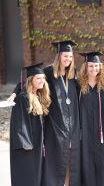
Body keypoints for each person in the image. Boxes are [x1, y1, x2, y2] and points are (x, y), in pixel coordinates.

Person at [8, 40, 81, 186]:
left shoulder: (73, 76)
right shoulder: (48, 72)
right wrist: (15, 93)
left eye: (70, 56)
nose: (68, 59)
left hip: (71, 128)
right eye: (65, 56)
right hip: (54, 127)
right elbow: (28, 82)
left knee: (70, 164)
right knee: (55, 164)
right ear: (58, 56)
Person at [10, 63, 51, 186]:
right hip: (28, 147)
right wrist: (26, 144)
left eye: (43, 78)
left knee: (37, 177)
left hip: (37, 144)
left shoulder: (38, 96)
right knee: (28, 177)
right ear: (30, 80)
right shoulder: (23, 98)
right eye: (38, 78)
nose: (42, 81)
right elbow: (19, 122)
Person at [77, 52, 104, 186]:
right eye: (91, 66)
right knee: (86, 164)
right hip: (85, 133)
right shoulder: (78, 86)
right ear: (85, 67)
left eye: (96, 66)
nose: (94, 69)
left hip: (103, 133)